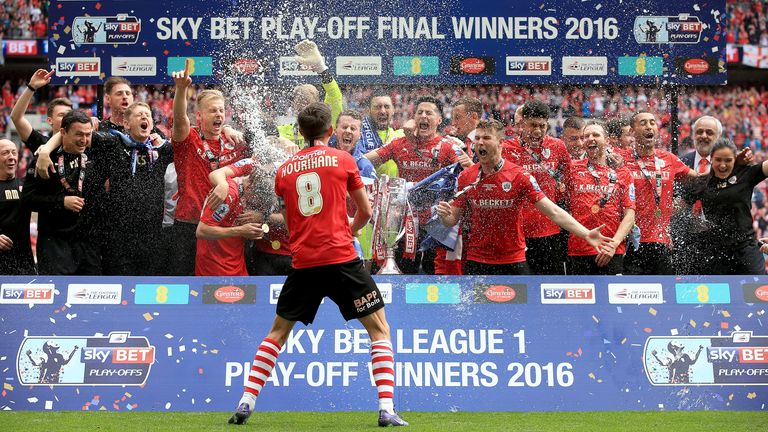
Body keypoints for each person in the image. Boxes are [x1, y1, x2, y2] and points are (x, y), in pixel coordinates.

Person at [228, 102, 408, 427]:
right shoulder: (343, 160)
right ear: (330, 131)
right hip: (341, 260)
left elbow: (290, 217)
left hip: (304, 263)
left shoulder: (285, 171)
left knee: (277, 334)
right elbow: (365, 214)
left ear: (300, 132)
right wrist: (344, 233)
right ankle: (386, 408)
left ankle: (245, 401)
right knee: (380, 331)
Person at [436, 119, 611, 275]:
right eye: (478, 139)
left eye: (486, 138)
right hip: (477, 259)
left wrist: (586, 234)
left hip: (513, 259)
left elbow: (553, 212)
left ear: (500, 143)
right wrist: (445, 216)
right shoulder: (467, 176)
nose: (480, 143)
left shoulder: (519, 175)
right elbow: (452, 220)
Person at [36, 102, 174, 275]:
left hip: (152, 236)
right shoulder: (114, 142)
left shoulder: (161, 149)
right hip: (118, 238)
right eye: (139, 115)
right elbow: (71, 133)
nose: (144, 117)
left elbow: (186, 138)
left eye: (147, 114)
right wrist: (45, 150)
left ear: (152, 125)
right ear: (126, 124)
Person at [365, 96, 471, 274]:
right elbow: (365, 161)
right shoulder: (400, 144)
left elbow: (472, 175)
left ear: (438, 120)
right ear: (413, 118)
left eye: (429, 113)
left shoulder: (448, 146)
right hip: (405, 223)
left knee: (433, 272)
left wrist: (468, 164)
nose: (423, 116)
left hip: (436, 224)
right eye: (419, 112)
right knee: (404, 271)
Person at [169, 59, 252, 275]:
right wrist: (181, 90)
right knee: (187, 287)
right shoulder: (189, 139)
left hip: (223, 227)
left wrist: (286, 143)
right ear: (199, 115)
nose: (218, 115)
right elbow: (179, 120)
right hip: (190, 223)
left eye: (221, 111)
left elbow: (264, 151)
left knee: (223, 287)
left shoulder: (234, 141)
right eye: (213, 111)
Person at [21, 111, 101, 275]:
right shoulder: (44, 159)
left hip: (87, 246)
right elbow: (27, 200)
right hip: (54, 245)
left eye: (87, 135)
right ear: (63, 133)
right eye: (78, 134)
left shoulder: (94, 154)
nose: (84, 140)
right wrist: (61, 202)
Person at [622, 111, 700, 275]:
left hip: (661, 241)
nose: (649, 126)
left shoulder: (668, 159)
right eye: (643, 123)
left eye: (652, 122)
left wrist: (732, 169)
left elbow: (698, 180)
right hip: (629, 242)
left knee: (665, 296)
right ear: (632, 131)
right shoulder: (621, 158)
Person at [502, 100, 571, 275]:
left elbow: (569, 177)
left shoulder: (557, 146)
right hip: (516, 233)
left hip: (550, 231)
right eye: (533, 125)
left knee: (551, 288)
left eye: (542, 126)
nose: (538, 131)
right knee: (520, 289)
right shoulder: (505, 149)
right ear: (521, 124)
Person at [566, 122, 636, 275]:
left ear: (607, 141)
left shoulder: (622, 172)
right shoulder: (572, 168)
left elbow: (630, 215)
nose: (590, 138)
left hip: (612, 250)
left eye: (596, 135)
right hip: (579, 250)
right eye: (586, 136)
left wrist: (613, 245)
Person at [690, 138, 767, 274]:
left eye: (728, 160)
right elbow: (677, 206)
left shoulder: (745, 174)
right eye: (718, 160)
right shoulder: (702, 182)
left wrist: (737, 164)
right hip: (716, 253)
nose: (723, 165)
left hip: (746, 248)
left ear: (734, 160)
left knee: (756, 292)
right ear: (711, 159)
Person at [672, 115, 722, 274]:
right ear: (693, 136)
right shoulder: (680, 163)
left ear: (718, 137)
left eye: (709, 132)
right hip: (684, 241)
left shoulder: (727, 165)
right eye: (700, 132)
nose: (704, 136)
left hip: (718, 241)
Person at [196, 167, 265, 276]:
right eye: (257, 199)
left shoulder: (251, 176)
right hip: (216, 267)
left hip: (237, 263)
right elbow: (202, 231)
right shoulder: (229, 195)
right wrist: (241, 231)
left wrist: (250, 231)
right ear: (249, 187)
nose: (257, 203)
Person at [276, 40, 343, 149]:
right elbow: (267, 139)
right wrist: (278, 140)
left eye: (308, 103)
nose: (304, 108)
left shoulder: (326, 125)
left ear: (316, 105)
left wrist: (321, 68)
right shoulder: (283, 131)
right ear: (293, 105)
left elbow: (334, 96)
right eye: (300, 103)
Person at [10, 69, 72, 152]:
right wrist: (32, 87)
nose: (66, 118)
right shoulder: (41, 143)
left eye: (69, 115)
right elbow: (16, 118)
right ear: (50, 121)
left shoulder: (82, 144)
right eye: (61, 115)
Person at [0, 139, 35, 274]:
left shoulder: (26, 186)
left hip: (23, 264)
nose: (11, 157)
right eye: (5, 153)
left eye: (14, 152)